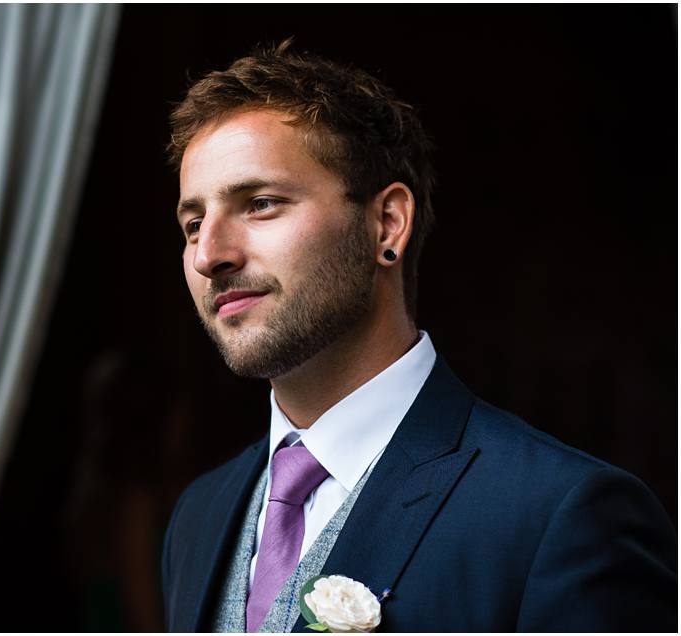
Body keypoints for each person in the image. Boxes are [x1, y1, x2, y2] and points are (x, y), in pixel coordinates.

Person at [160, 41, 676, 632]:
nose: (208, 256)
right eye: (193, 223)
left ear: (388, 223)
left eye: (261, 203)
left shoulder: (561, 516)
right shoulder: (199, 516)